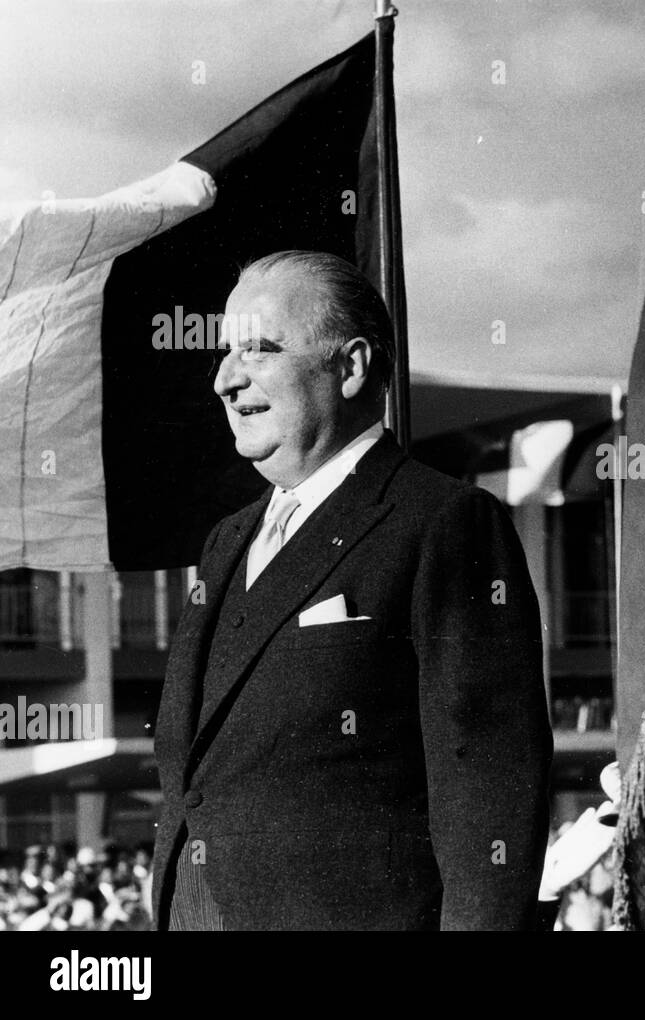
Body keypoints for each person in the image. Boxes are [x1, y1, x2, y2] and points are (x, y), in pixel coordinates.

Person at [151, 250, 552, 930]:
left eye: (260, 349)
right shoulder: (226, 543)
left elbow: (486, 776)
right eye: (224, 353)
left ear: (353, 365)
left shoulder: (442, 522)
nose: (225, 379)